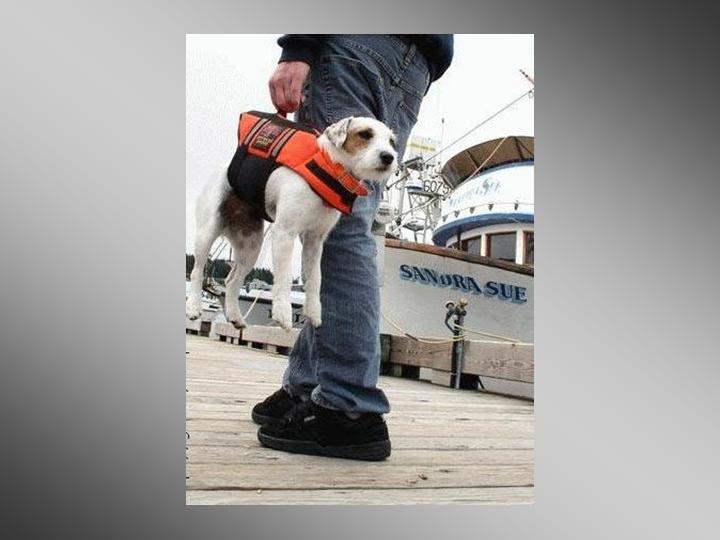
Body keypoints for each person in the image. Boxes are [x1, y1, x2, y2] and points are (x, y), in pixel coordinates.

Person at [253, 34, 453, 460]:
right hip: (417, 62)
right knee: (351, 211)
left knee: (337, 223)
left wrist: (298, 48)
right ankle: (307, 386)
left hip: (357, 40)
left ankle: (348, 407)